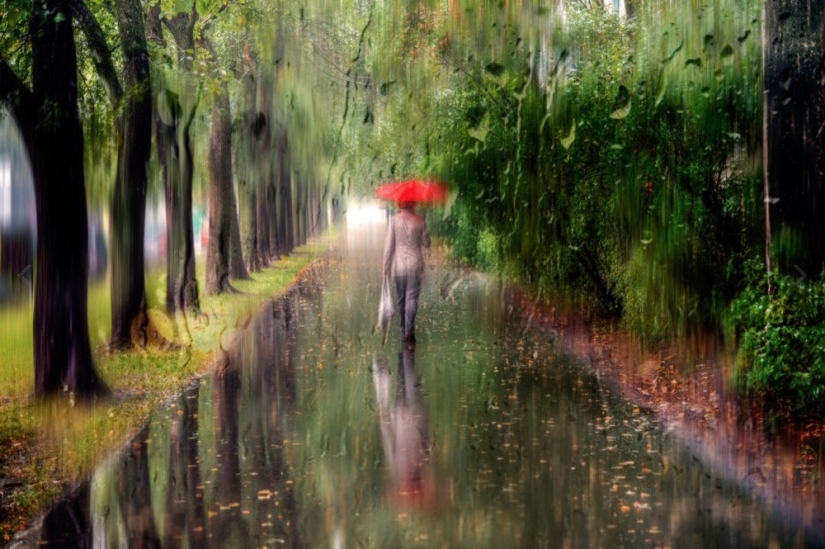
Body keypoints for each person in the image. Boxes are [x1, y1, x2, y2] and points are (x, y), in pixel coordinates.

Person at [382, 200, 430, 343]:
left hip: (399, 267)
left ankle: (403, 329)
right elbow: (427, 243)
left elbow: (389, 245)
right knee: (412, 299)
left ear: (399, 205)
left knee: (402, 299)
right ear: (414, 204)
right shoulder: (420, 220)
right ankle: (409, 329)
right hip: (415, 266)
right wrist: (425, 230)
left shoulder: (394, 221)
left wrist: (385, 266)